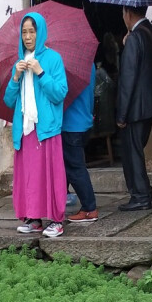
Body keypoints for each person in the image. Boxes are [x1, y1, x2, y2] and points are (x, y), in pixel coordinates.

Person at [4, 12, 69, 238]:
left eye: (32, 31)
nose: (28, 36)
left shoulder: (53, 59)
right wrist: (15, 78)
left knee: (51, 175)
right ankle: (34, 218)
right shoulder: (18, 64)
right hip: (25, 129)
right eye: (24, 32)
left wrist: (41, 72)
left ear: (40, 32)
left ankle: (56, 220)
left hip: (46, 128)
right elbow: (9, 101)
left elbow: (60, 93)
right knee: (30, 176)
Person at [115, 5, 152, 211]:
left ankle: (140, 196)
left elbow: (128, 79)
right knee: (137, 148)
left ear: (127, 13)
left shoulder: (136, 37)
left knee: (132, 151)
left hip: (136, 105)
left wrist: (121, 113)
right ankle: (145, 191)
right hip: (151, 102)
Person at [63, 61, 98, 223]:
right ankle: (60, 200)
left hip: (71, 123)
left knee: (75, 168)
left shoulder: (64, 66)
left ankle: (89, 209)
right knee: (69, 166)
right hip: (84, 119)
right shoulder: (88, 63)